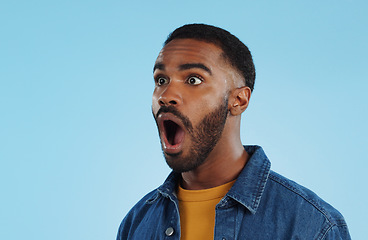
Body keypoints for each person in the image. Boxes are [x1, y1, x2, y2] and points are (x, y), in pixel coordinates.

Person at [117, 24, 350, 240]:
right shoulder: (136, 223)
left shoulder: (313, 225)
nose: (166, 95)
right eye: (161, 80)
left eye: (193, 79)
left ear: (238, 100)